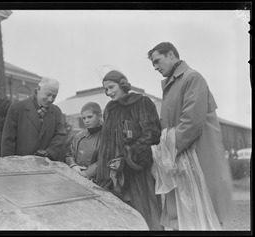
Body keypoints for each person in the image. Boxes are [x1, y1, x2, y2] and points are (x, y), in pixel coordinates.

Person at [147, 42, 233, 227]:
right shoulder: (173, 84)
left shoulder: (192, 78)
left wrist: (166, 151)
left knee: (202, 217)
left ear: (171, 54)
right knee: (184, 217)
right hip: (181, 159)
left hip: (196, 157)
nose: (155, 67)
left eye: (157, 61)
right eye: (153, 64)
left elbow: (191, 123)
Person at [95, 70, 163, 230]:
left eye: (111, 87)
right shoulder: (110, 109)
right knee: (120, 220)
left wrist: (126, 158)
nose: (109, 93)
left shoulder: (142, 102)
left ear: (123, 83)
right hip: (113, 175)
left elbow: (152, 134)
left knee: (146, 217)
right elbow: (106, 143)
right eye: (106, 90)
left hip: (137, 172)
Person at [1, 77, 67, 161]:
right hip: (20, 165)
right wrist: (8, 163)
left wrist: (49, 153)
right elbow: (8, 140)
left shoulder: (56, 112)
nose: (50, 99)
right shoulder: (16, 108)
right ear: (38, 89)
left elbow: (60, 136)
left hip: (46, 166)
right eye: (48, 94)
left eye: (54, 96)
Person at [64, 102, 103, 181]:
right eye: (84, 118)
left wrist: (87, 173)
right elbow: (69, 154)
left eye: (90, 117)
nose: (86, 121)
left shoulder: (108, 136)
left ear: (100, 116)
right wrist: (73, 165)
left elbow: (107, 159)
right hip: (78, 176)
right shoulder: (79, 136)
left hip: (99, 180)